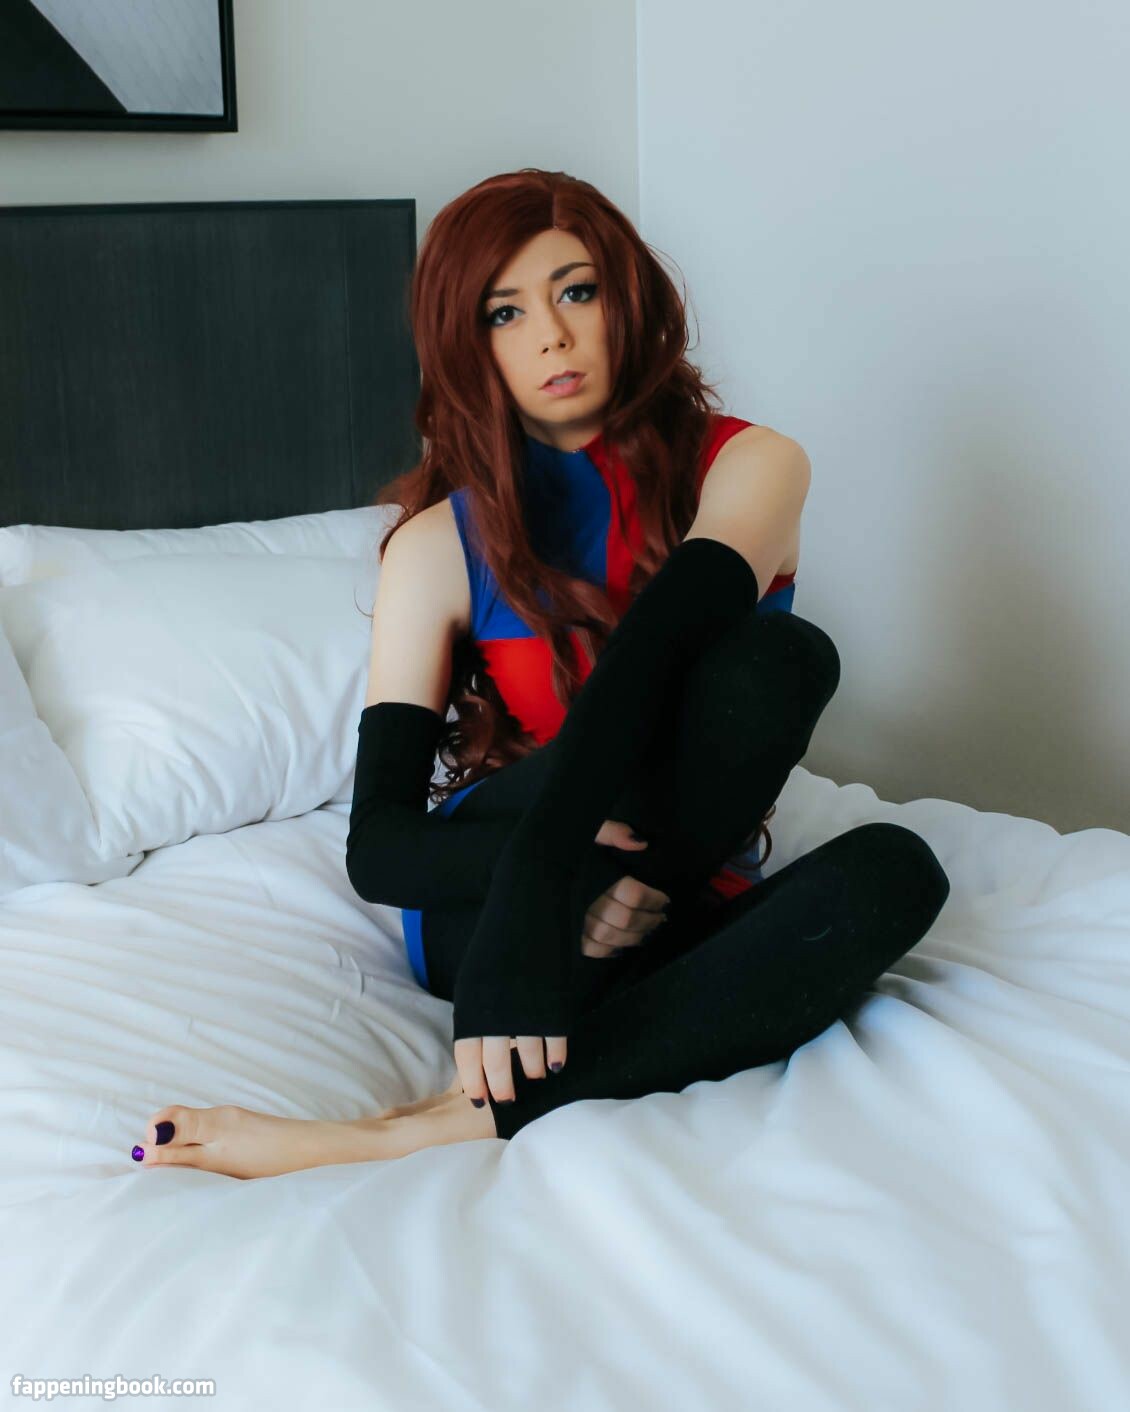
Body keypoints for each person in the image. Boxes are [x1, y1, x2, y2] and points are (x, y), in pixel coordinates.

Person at [130, 169, 949, 1178]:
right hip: (496, 905)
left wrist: (618, 874)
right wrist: (541, 872)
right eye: (505, 312)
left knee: (882, 850)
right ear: (466, 344)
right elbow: (379, 850)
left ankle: (420, 1129)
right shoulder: (436, 548)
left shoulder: (750, 465)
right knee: (755, 688)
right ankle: (454, 1094)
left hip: (668, 877)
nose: (552, 337)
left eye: (577, 291)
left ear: (628, 300)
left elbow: (665, 648)